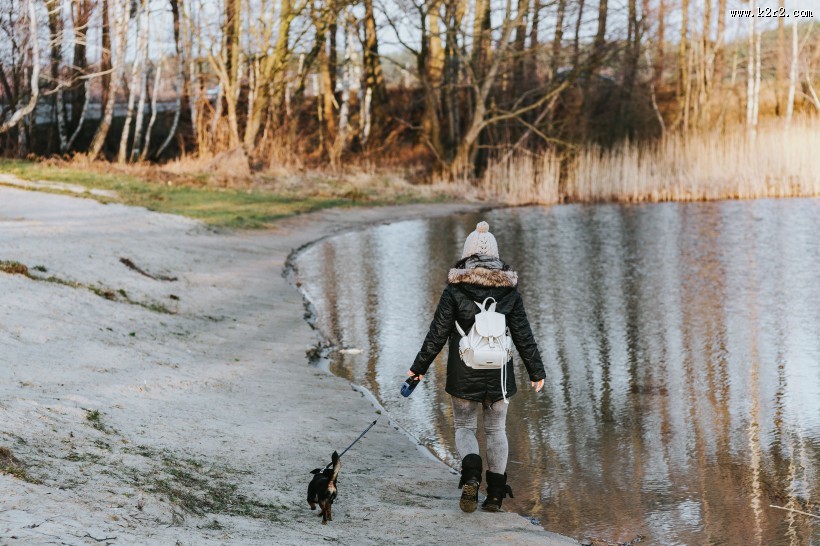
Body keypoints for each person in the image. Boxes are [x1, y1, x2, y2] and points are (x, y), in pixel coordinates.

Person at [408, 221, 546, 513]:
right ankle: (495, 496)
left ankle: (471, 475)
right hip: (500, 374)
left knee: (464, 427)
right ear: (495, 257)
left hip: (464, 373)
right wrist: (537, 371)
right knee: (496, 431)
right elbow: (523, 334)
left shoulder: (454, 291)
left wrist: (418, 369)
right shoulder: (510, 292)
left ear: (467, 255)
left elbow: (436, 335)